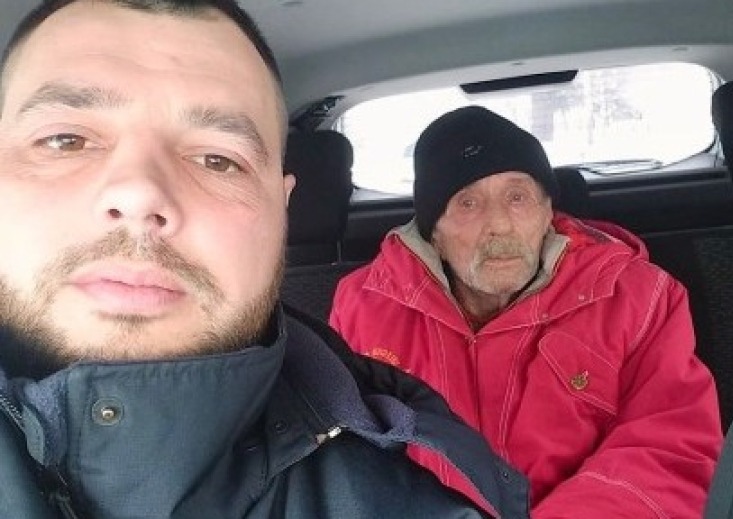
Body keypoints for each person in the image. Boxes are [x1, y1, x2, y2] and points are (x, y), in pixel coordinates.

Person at [0, 2, 530, 518]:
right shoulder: (368, 302)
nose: (140, 193)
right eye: (64, 141)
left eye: (217, 160)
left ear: (283, 208)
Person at [330, 106, 724, 518]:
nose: (500, 225)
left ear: (547, 212)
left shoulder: (639, 298)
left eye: (517, 197)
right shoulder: (364, 305)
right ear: (434, 231)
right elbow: (343, 457)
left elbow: (670, 450)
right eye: (468, 203)